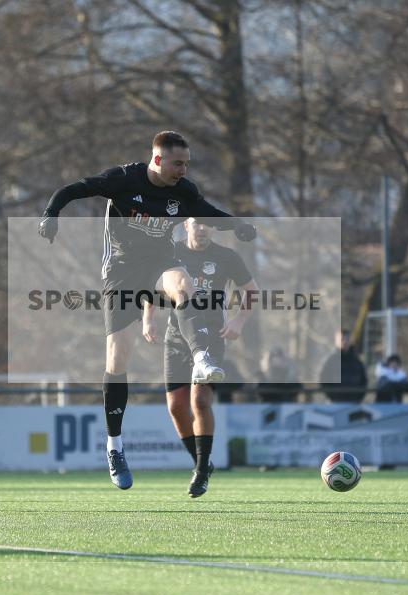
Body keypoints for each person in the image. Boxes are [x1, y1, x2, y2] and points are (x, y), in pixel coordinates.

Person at [38, 131, 256, 490]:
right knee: (117, 359)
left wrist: (239, 225)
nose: (183, 170)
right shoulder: (124, 180)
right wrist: (51, 214)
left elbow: (208, 213)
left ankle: (201, 356)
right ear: (157, 160)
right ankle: (115, 446)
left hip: (159, 265)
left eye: (186, 163)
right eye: (177, 163)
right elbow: (75, 188)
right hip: (122, 273)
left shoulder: (183, 191)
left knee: (183, 284)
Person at [142, 218, 257, 497]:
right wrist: (148, 319)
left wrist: (239, 322)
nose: (202, 228)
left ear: (214, 228)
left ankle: (202, 469)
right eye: (197, 223)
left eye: (208, 224)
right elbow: (153, 285)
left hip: (212, 337)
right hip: (176, 338)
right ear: (186, 225)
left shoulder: (226, 257)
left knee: (200, 400)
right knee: (176, 407)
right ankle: (200, 463)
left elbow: (251, 291)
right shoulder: (172, 252)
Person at [319, 329, 368, 403]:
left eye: (347, 339)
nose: (344, 342)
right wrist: (333, 397)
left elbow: (364, 381)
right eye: (342, 339)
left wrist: (358, 398)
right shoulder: (330, 361)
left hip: (354, 403)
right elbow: (323, 381)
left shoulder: (357, 361)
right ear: (336, 341)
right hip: (335, 404)